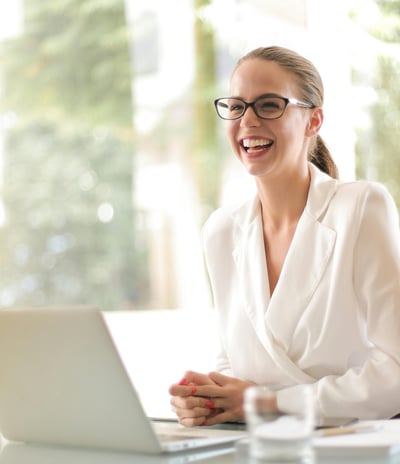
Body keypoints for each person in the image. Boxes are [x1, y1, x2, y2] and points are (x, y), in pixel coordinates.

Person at [169, 45, 400, 427]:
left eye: (269, 105)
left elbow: (396, 369)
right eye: (237, 106)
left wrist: (267, 403)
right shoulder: (222, 231)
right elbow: (233, 359)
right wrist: (208, 399)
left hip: (351, 447)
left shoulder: (360, 208)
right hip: (259, 446)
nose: (248, 120)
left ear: (314, 121)